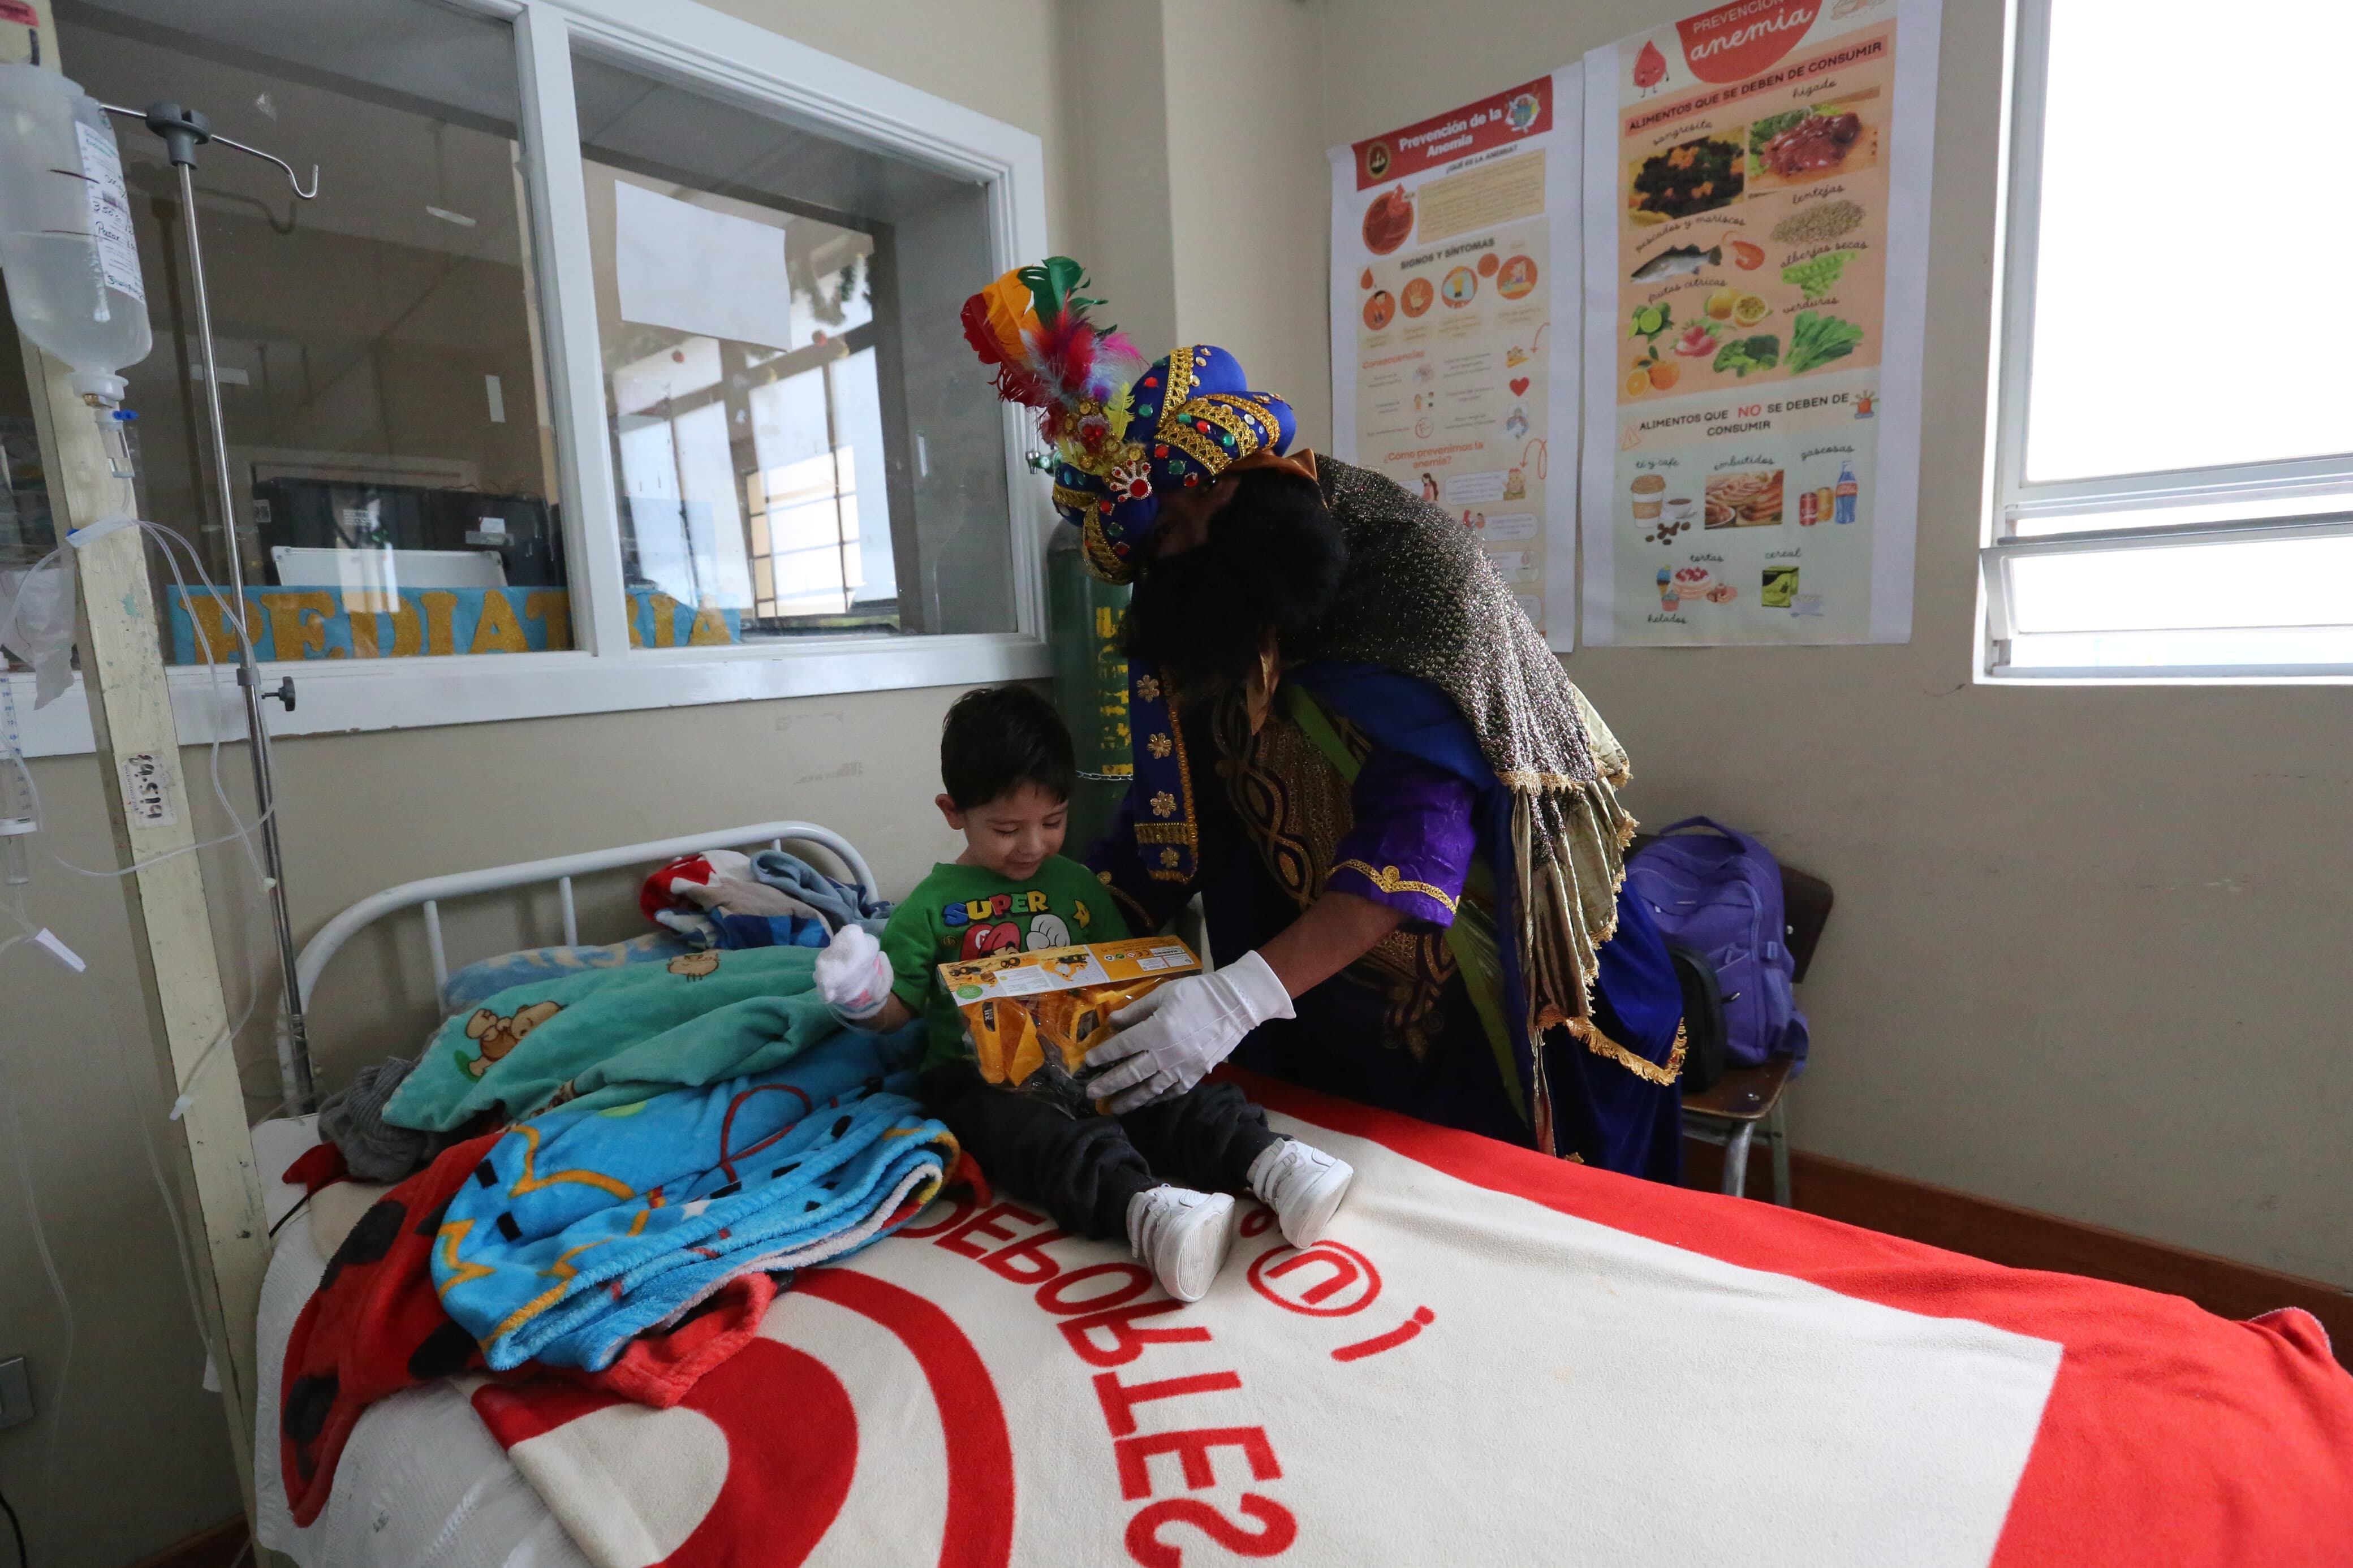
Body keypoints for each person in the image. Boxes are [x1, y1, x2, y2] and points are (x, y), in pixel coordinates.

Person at [959, 258, 1687, 1177]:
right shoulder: (1216, 616)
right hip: (1337, 996)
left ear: (1221, 490)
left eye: (1173, 541)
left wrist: (1235, 997)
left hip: (1510, 982)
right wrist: (1036, 942)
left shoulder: (1406, 570)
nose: (1168, 578)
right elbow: (1163, 834)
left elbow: (1417, 840)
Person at [812, 685, 1355, 1302]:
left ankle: (1268, 1160)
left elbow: (1119, 973)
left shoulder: (1078, 886)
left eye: (1053, 821)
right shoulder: (929, 908)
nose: (1033, 845)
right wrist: (862, 994)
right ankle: (1146, 1212)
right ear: (952, 811)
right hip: (982, 1081)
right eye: (1006, 828)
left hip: (1081, 1050)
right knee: (1042, 1136)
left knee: (1164, 1089)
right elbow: (896, 1014)